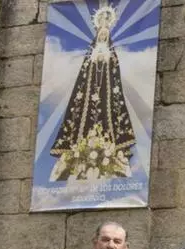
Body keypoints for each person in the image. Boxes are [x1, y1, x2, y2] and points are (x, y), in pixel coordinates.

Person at [49, 0, 135, 181]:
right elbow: (85, 73)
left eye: (105, 35)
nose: (103, 36)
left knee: (107, 115)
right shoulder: (91, 53)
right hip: (90, 92)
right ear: (97, 36)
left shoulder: (111, 53)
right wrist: (95, 60)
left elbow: (114, 73)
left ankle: (112, 151)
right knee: (84, 114)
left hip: (106, 93)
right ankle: (77, 148)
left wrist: (107, 59)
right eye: (101, 34)